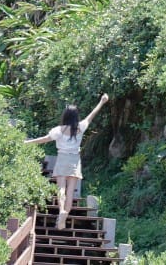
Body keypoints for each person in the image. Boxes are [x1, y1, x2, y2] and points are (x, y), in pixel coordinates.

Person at [25, 93, 109, 229]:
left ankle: (61, 211)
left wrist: (27, 143)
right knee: (70, 191)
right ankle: (66, 213)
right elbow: (91, 115)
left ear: (65, 116)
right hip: (75, 160)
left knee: (61, 188)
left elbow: (43, 139)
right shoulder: (80, 127)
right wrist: (102, 101)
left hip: (62, 158)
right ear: (76, 117)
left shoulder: (58, 130)